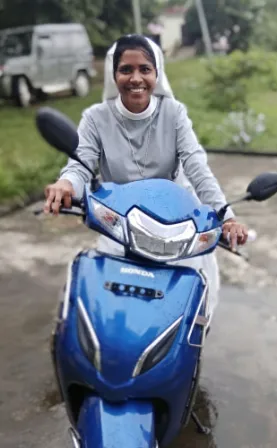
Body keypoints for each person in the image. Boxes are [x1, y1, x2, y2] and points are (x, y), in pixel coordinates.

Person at [42, 34, 248, 321]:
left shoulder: (174, 114)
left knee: (191, 314)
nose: (136, 78)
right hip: (120, 227)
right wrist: (66, 184)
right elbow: (81, 163)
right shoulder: (95, 118)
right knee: (100, 310)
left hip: (173, 227)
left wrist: (227, 216)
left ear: (157, 73)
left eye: (145, 69)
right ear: (113, 74)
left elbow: (196, 166)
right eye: (126, 69)